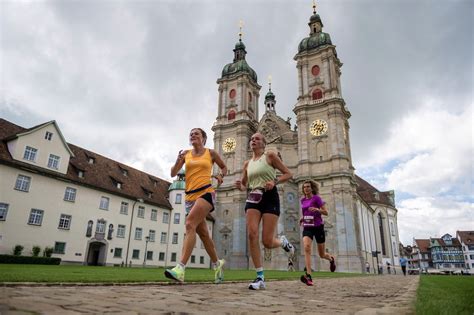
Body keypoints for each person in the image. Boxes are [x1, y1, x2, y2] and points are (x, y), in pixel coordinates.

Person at [165, 128, 227, 284]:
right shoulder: (185, 154)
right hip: (189, 197)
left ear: (204, 138)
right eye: (191, 134)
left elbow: (224, 167)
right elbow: (173, 173)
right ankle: (217, 263)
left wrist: (220, 175)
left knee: (189, 224)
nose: (193, 135)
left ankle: (180, 268)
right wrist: (177, 160)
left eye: (196, 133)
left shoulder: (211, 153)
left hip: (206, 192)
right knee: (204, 235)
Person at [235, 132, 294, 290]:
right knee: (251, 234)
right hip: (253, 197)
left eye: (257, 139)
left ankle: (281, 241)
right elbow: (244, 185)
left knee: (267, 242)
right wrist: (239, 186)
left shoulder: (270, 156)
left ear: (263, 143)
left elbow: (289, 174)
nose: (253, 140)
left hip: (270, 197)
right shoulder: (247, 164)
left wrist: (274, 181)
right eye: (252, 139)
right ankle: (260, 277)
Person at [299, 180, 336, 286]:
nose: (306, 188)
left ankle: (331, 259)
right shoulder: (302, 200)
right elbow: (306, 212)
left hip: (318, 227)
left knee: (322, 254)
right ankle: (308, 275)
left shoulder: (317, 198)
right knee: (306, 247)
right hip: (307, 227)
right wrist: (302, 218)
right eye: (304, 187)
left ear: (312, 188)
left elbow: (326, 212)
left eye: (308, 187)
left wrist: (317, 209)